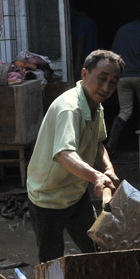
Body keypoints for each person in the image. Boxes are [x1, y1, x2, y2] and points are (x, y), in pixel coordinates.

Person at [26, 49, 123, 263]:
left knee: (96, 248)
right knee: (51, 263)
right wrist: (96, 177)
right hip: (47, 197)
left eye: (113, 82)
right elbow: (64, 154)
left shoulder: (95, 106)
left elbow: (97, 143)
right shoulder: (70, 109)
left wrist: (108, 169)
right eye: (102, 79)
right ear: (85, 74)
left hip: (75, 193)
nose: (106, 88)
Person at [107, 0, 140, 153]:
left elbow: (112, 54)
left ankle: (111, 145)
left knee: (124, 111)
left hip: (123, 77)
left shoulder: (122, 30)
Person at [71, 6, 99, 82]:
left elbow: (80, 43)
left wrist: (77, 67)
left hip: (83, 61)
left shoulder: (80, 22)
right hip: (93, 60)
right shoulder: (89, 21)